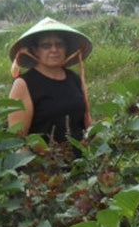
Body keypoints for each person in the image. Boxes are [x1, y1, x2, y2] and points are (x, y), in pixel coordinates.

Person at [8, 17, 93, 145]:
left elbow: (86, 120)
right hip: (43, 157)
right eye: (46, 46)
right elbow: (18, 139)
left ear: (66, 48)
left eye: (59, 44)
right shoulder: (24, 84)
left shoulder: (74, 78)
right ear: (35, 51)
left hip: (80, 155)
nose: (54, 50)